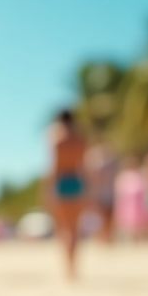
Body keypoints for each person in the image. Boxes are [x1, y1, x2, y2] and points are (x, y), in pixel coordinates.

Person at [45, 110, 86, 281]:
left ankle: (67, 267)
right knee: (75, 228)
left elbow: (53, 166)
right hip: (76, 181)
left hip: (62, 182)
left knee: (63, 227)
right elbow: (83, 165)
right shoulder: (80, 139)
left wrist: (48, 189)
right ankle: (73, 267)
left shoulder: (56, 139)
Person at [85, 139, 119, 242]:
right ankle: (104, 237)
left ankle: (107, 237)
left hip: (108, 192)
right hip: (100, 193)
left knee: (108, 215)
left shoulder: (109, 161)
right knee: (101, 216)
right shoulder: (95, 161)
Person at [114, 156, 148, 241]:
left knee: (141, 222)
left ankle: (141, 238)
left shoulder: (141, 174)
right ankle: (134, 239)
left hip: (139, 202)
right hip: (129, 203)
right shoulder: (123, 176)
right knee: (130, 221)